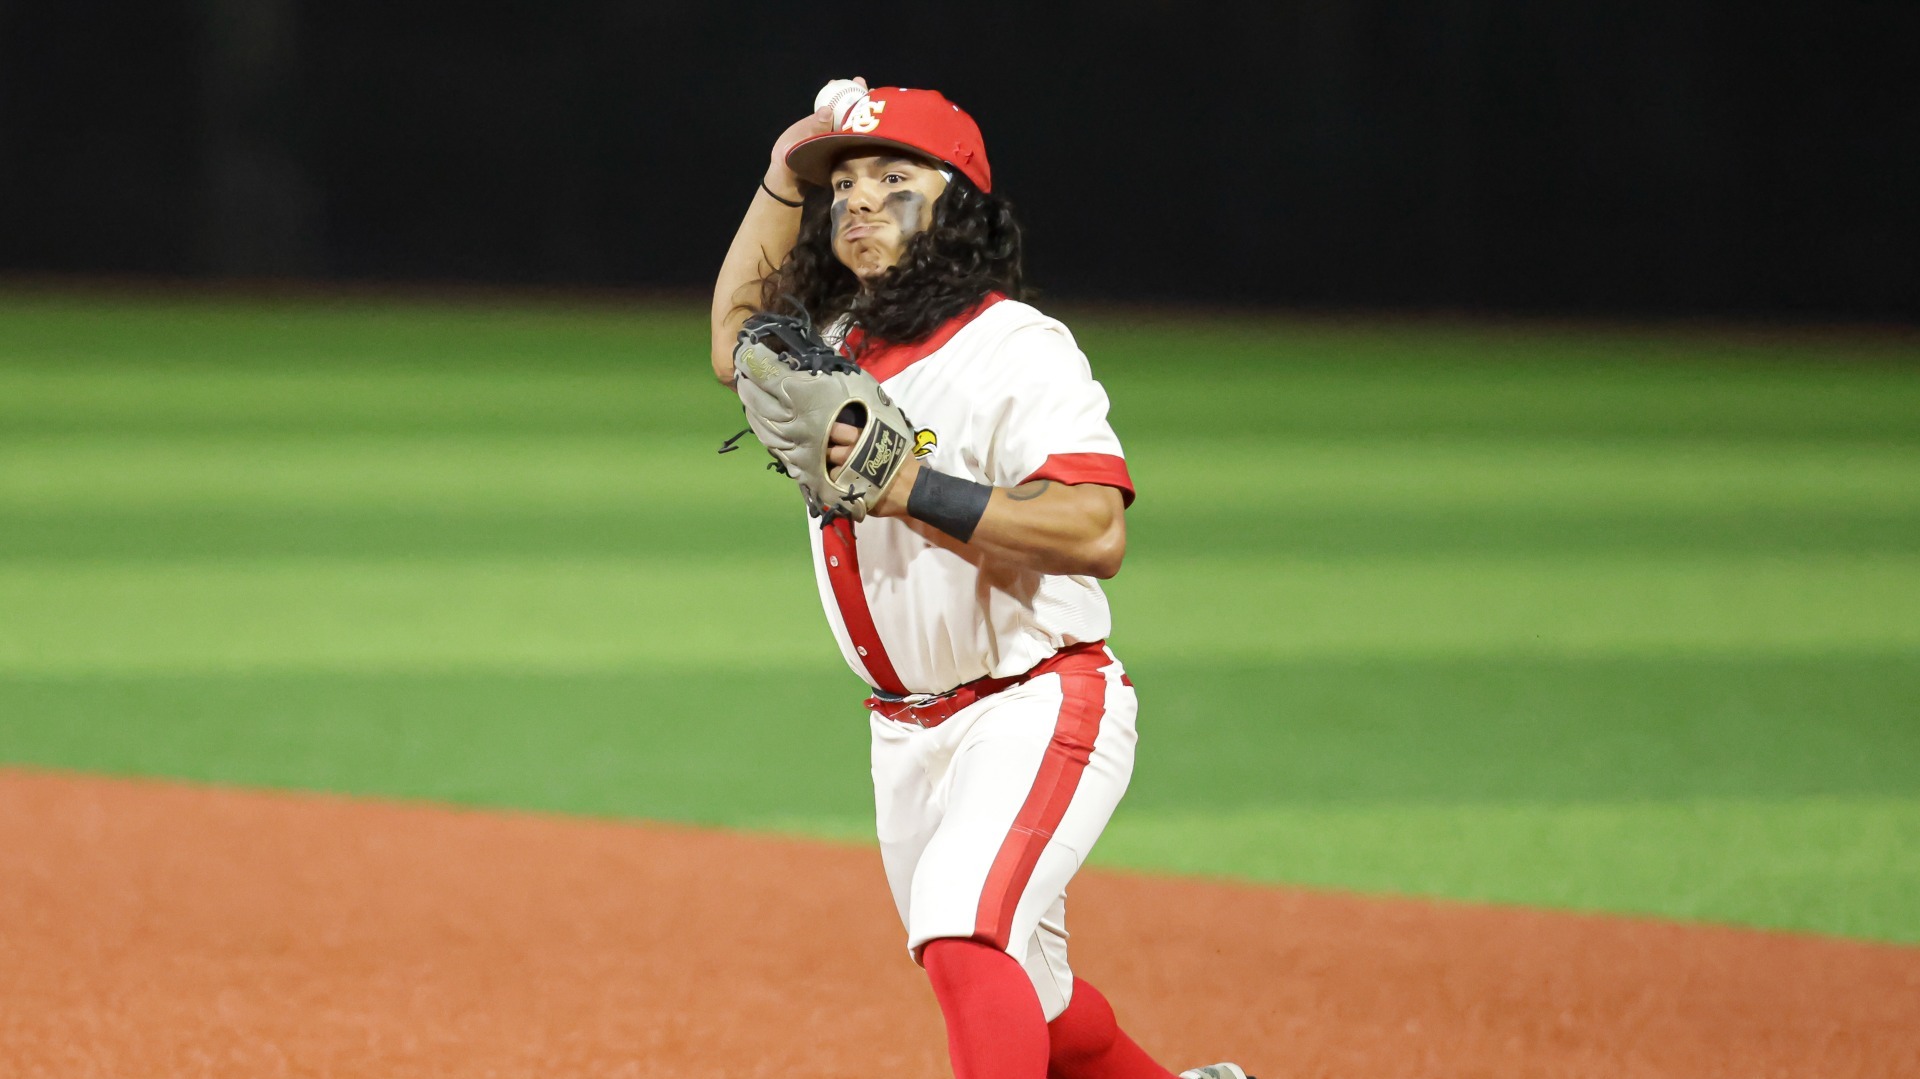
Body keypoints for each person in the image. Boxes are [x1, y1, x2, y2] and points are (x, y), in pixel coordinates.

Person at [708, 80, 1252, 1079]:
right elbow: (734, 335)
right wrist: (786, 166)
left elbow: (1093, 530)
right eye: (848, 184)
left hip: (1035, 702)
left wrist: (911, 484)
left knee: (965, 940)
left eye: (894, 176)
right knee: (1037, 1009)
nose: (859, 199)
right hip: (906, 732)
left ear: (958, 204)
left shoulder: (1019, 348)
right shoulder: (838, 349)